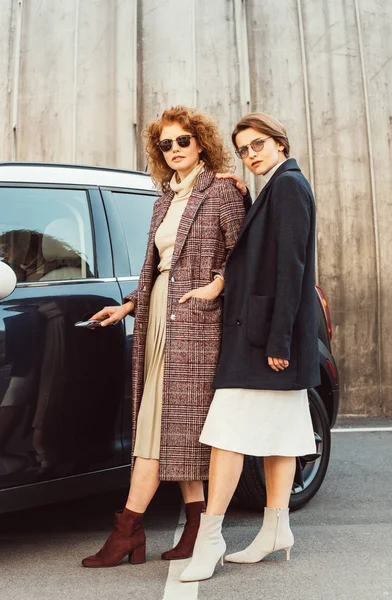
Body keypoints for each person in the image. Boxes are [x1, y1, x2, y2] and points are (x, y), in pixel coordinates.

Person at [81, 106, 246, 568]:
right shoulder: (163, 201)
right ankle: (194, 526)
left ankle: (127, 529)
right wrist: (129, 304)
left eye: (183, 141)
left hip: (197, 324)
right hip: (158, 316)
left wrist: (217, 285)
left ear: (201, 144)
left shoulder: (223, 193)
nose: (174, 150)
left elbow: (244, 256)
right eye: (165, 144)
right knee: (173, 427)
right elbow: (159, 270)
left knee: (158, 426)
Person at [180, 113, 320, 582]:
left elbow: (292, 267)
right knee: (279, 432)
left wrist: (279, 339)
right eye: (243, 149)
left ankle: (211, 536)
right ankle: (276, 527)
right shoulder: (275, 187)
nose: (251, 155)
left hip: (266, 337)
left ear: (280, 143)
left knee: (226, 434)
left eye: (258, 145)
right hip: (266, 332)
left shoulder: (289, 188)